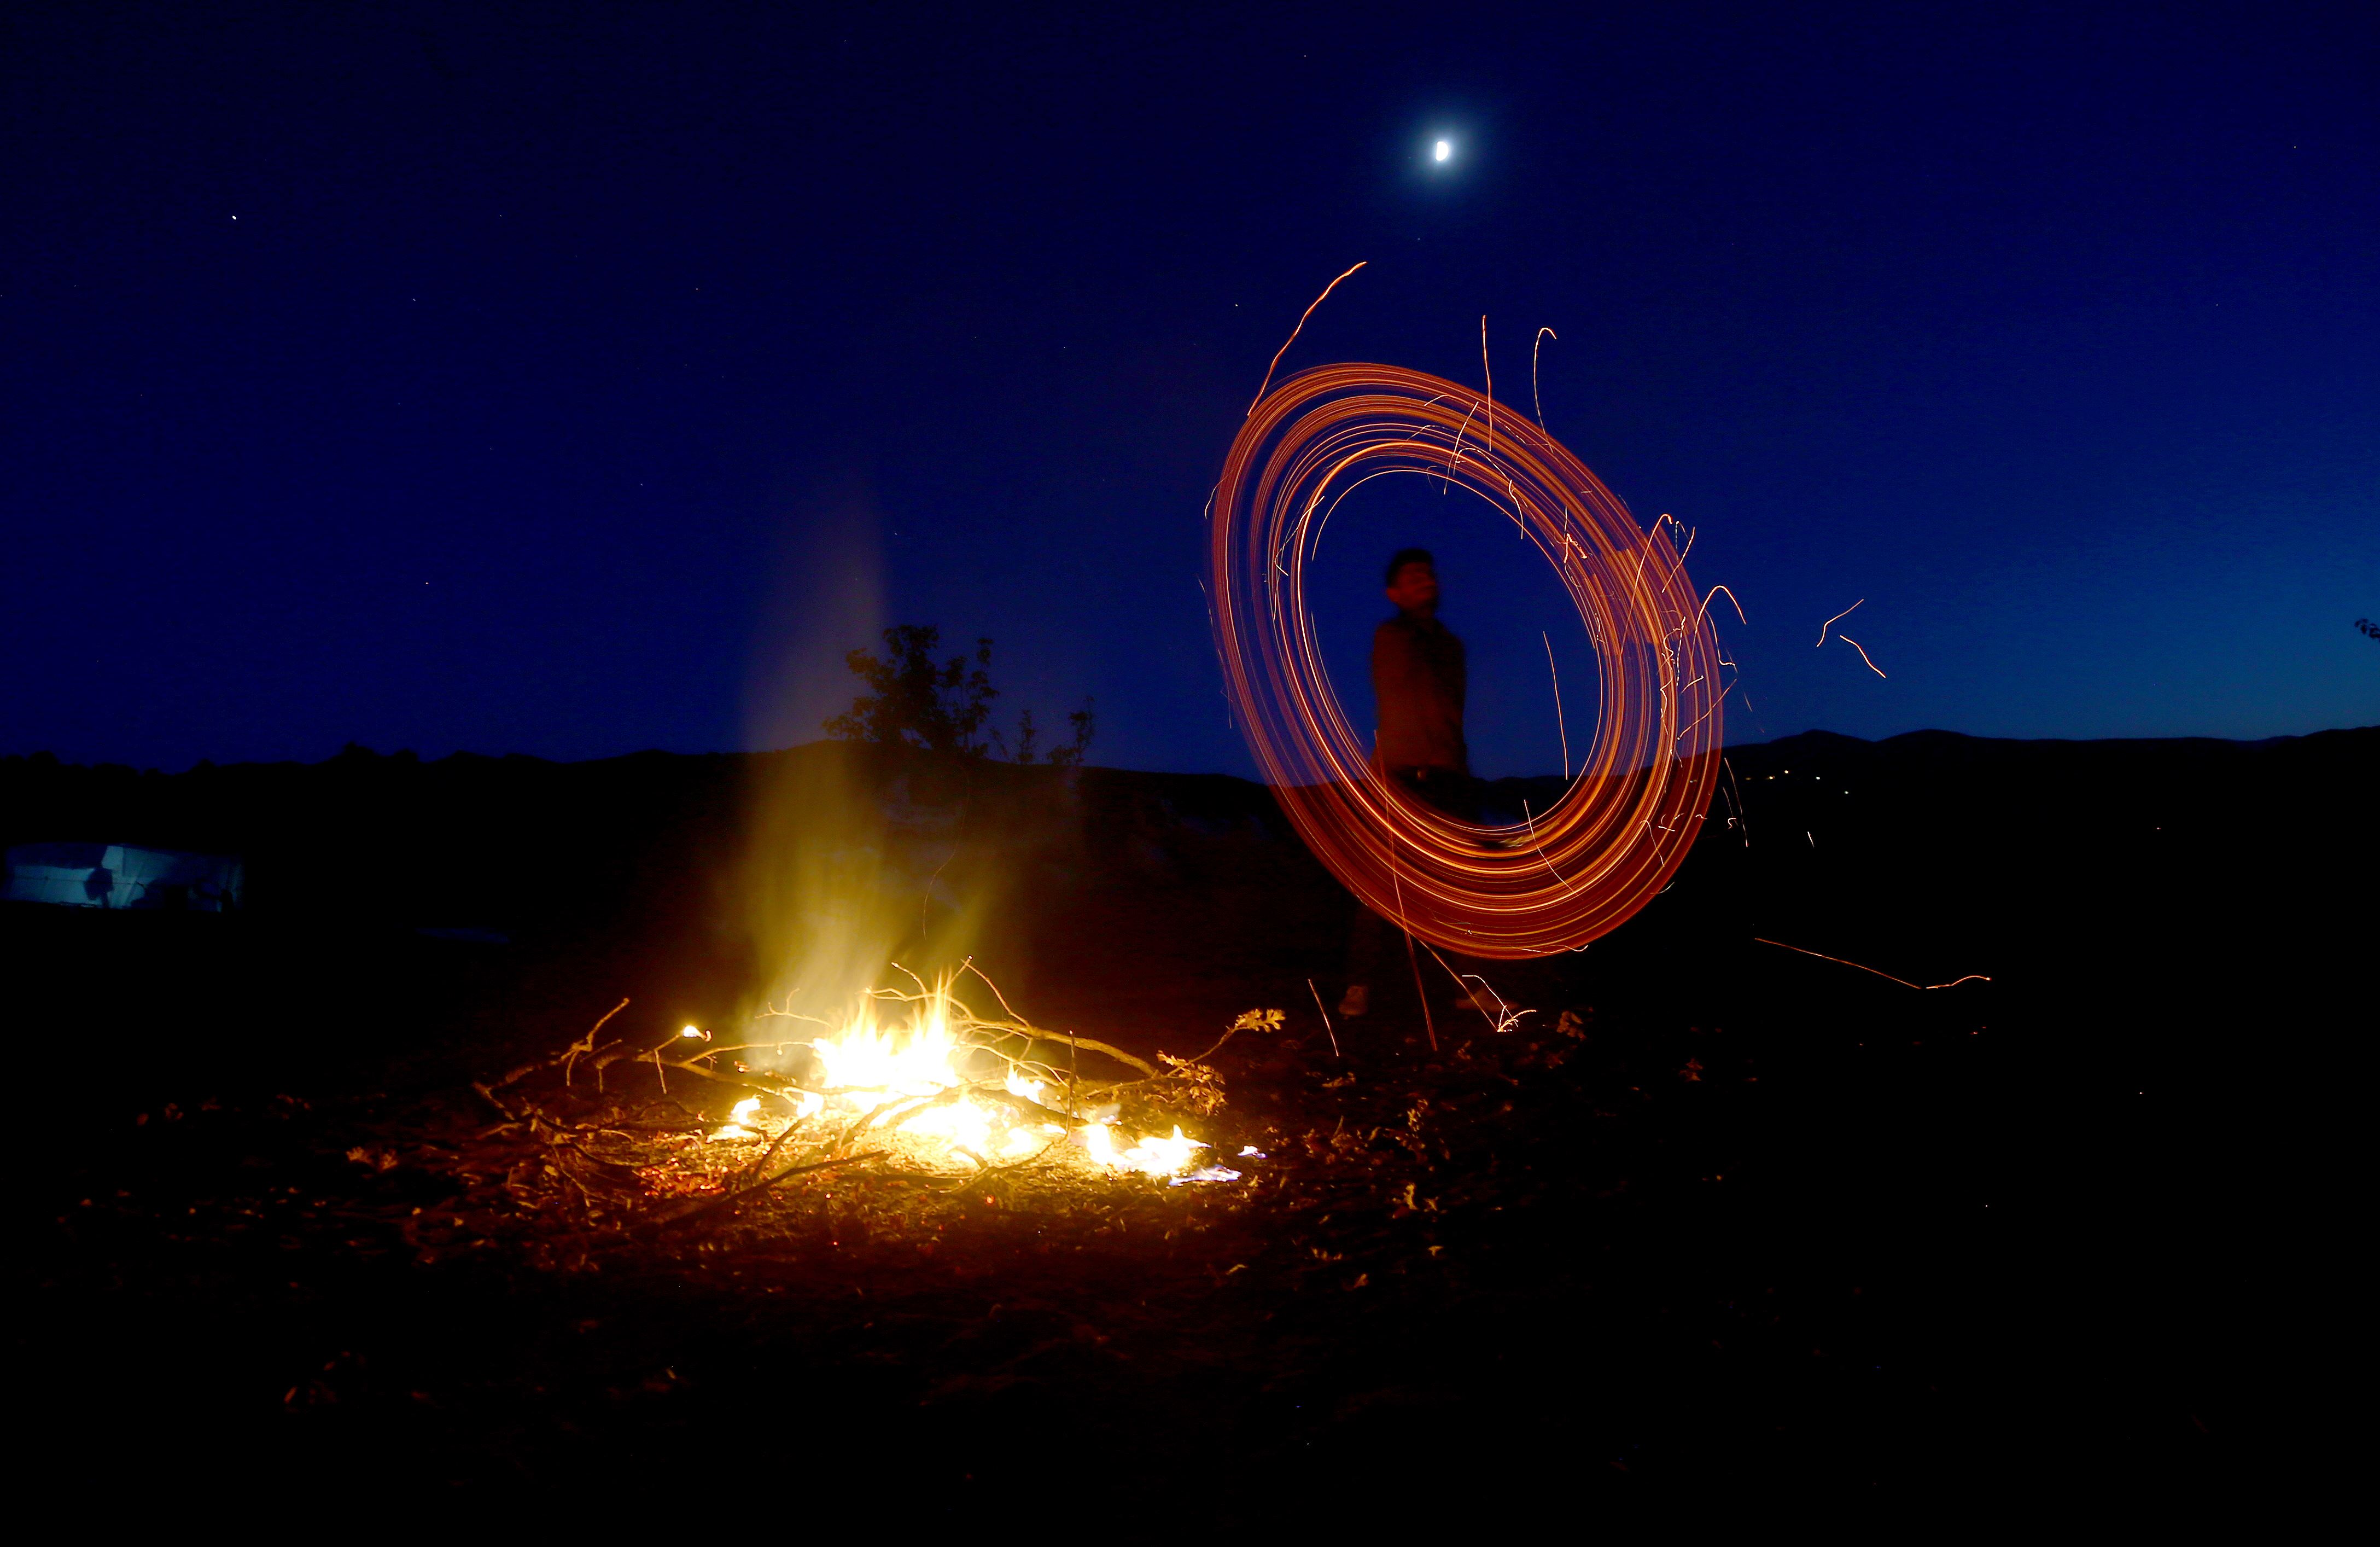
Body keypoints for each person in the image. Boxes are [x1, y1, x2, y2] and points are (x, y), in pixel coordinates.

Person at [1340, 548, 1471, 1017]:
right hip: (1400, 777)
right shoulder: (1392, 636)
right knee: (1384, 884)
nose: (1425, 581)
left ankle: (1464, 987)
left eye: (1428, 574)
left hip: (1448, 777)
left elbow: (1451, 708)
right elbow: (1402, 689)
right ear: (1393, 593)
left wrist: (1455, 766)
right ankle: (1360, 986)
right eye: (1412, 577)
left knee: (1455, 884)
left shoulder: (1451, 645)